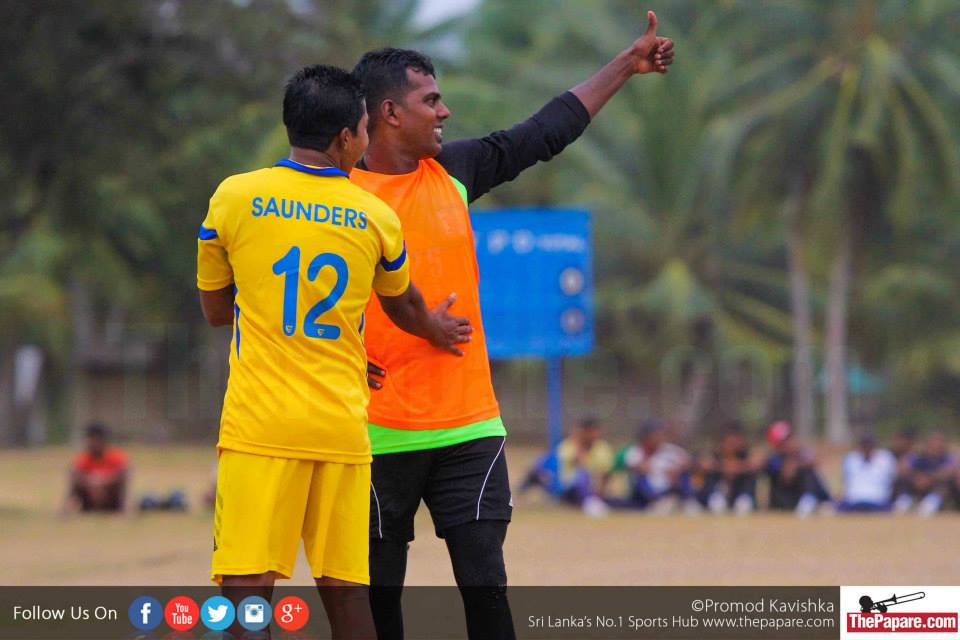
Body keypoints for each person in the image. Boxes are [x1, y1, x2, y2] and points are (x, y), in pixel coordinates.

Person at [350, 12, 674, 640]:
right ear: (389, 113)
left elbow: (543, 132)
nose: (444, 111)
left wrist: (625, 66)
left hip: (469, 427)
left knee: (487, 594)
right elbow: (290, 298)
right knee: (378, 604)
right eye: (430, 100)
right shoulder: (335, 199)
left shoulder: (454, 172)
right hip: (373, 434)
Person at [196, 64, 470, 639]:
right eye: (365, 130)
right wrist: (436, 330)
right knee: (347, 593)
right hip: (341, 427)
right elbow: (404, 305)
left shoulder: (234, 196)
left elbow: (217, 310)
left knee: (247, 587)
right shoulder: (374, 215)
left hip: (260, 428)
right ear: (347, 137)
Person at [605, 419, 697, 513]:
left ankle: (687, 502)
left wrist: (678, 469)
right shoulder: (634, 451)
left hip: (670, 489)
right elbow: (636, 467)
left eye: (661, 434)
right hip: (646, 494)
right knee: (640, 476)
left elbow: (689, 462)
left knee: (684, 475)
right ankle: (656, 503)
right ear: (646, 437)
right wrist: (656, 468)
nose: (659, 438)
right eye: (656, 435)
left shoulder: (670, 450)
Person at [762, 420, 832, 517]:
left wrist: (797, 462)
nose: (787, 443)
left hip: (801, 494)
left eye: (788, 439)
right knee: (806, 472)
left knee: (809, 473)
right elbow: (787, 475)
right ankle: (810, 502)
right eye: (783, 441)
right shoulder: (773, 458)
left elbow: (815, 461)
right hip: (784, 500)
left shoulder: (799, 453)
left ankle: (814, 500)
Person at [62, 422, 129, 514]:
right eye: (91, 439)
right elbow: (75, 474)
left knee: (121, 483)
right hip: (89, 497)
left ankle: (124, 509)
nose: (94, 443)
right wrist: (91, 483)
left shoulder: (115, 456)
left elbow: (123, 473)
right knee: (74, 480)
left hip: (110, 497)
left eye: (97, 440)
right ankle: (67, 509)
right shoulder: (84, 458)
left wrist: (102, 482)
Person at [697, 422, 760, 515]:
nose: (732, 445)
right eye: (729, 442)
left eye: (735, 442)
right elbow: (704, 464)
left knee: (744, 504)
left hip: (741, 495)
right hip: (717, 495)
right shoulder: (716, 454)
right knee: (716, 502)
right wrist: (723, 467)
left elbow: (755, 464)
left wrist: (737, 467)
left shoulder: (745, 454)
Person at [892, 431, 957, 516]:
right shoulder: (917, 456)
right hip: (915, 484)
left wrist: (930, 478)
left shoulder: (948, 458)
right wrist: (916, 478)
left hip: (935, 487)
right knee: (901, 480)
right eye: (934, 442)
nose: (936, 445)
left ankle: (930, 504)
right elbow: (903, 469)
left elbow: (951, 470)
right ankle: (903, 502)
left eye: (940, 442)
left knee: (946, 483)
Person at [837, 434, 896, 512]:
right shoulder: (851, 459)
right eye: (864, 446)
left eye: (869, 446)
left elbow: (892, 479)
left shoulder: (885, 458)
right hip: (854, 500)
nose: (867, 448)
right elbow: (846, 481)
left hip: (878, 500)